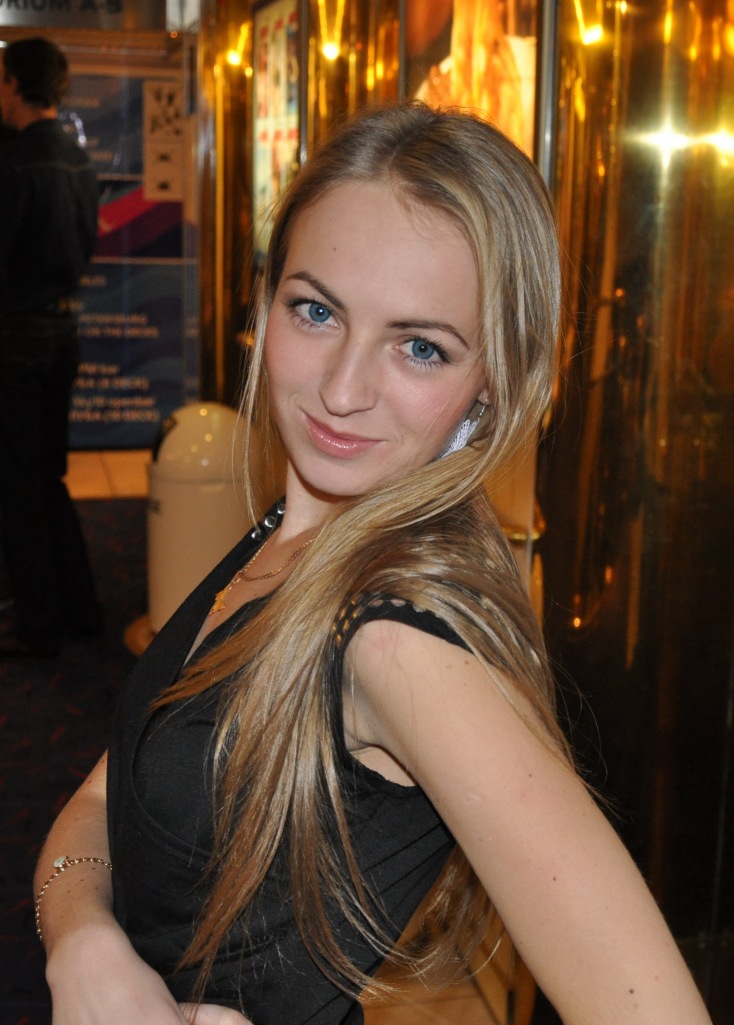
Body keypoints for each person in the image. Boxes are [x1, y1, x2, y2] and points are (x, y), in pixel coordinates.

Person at [33, 103, 712, 1025]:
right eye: (316, 310)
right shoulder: (296, 528)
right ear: (266, 299)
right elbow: (107, 794)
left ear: (491, 385)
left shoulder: (399, 641)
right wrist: (84, 943)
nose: (342, 390)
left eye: (420, 346)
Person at [0, 36, 102, 657]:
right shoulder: (78, 158)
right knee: (50, 474)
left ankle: (38, 625)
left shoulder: (14, 164)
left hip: (15, 337)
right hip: (63, 333)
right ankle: (81, 607)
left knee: (17, 483)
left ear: (13, 83)